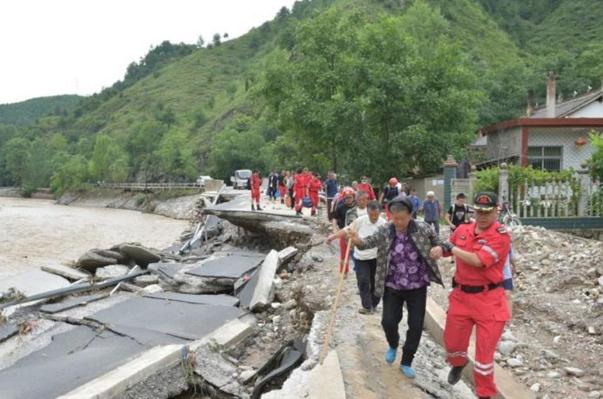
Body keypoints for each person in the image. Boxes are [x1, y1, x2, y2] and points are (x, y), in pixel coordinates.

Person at [347, 195, 445, 379]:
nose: (398, 222)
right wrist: (357, 240)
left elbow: (441, 243)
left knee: (415, 325)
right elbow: (367, 243)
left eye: (402, 218)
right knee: (388, 321)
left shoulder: (423, 228)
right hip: (393, 284)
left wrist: (439, 248)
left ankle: (407, 360)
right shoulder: (386, 230)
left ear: (410, 215)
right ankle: (393, 343)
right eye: (394, 218)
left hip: (417, 286)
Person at [430, 192, 511, 399]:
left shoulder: (501, 235)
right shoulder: (463, 229)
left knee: (484, 359)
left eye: (488, 212)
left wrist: (452, 249)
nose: (482, 216)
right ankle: (458, 363)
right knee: (452, 344)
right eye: (479, 211)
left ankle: (484, 394)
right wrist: (440, 249)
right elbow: (448, 248)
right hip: (461, 297)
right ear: (473, 210)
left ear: (496, 211)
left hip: (489, 301)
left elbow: (477, 260)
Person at [326, 200, 386, 314]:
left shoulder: (383, 223)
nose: (374, 217)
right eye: (371, 215)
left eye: (376, 215)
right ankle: (367, 306)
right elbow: (346, 230)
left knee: (375, 282)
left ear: (380, 212)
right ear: (367, 212)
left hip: (377, 257)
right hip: (361, 257)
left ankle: (373, 304)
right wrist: (333, 237)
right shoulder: (360, 221)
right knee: (363, 281)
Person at [331, 187, 356, 274]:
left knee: (356, 254)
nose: (348, 199)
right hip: (343, 232)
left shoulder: (357, 207)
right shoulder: (340, 207)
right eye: (346, 197)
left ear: (353, 197)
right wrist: (334, 229)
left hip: (355, 233)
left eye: (350, 197)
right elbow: (334, 219)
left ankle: (359, 271)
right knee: (343, 254)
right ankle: (343, 272)